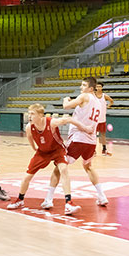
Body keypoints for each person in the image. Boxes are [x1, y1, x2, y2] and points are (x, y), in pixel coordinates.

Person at [7, 104, 88, 215]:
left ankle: (69, 202)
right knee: (27, 176)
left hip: (57, 150)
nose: (29, 116)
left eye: (32, 114)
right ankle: (20, 200)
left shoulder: (52, 122)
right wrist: (34, 148)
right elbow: (30, 138)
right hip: (42, 152)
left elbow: (68, 119)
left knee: (63, 170)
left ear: (40, 115)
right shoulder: (29, 127)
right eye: (29, 113)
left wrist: (85, 128)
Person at [44, 76, 109, 208]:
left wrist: (66, 99)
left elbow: (66, 106)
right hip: (91, 141)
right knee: (88, 166)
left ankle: (49, 199)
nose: (81, 87)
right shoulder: (98, 102)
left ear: (91, 88)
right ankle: (102, 196)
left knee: (59, 167)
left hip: (79, 138)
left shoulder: (85, 96)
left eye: (84, 85)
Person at [95, 81, 114, 156]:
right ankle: (93, 150)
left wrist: (108, 106)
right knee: (93, 135)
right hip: (95, 119)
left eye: (100, 86)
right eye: (97, 86)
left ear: (102, 87)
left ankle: (104, 149)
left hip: (102, 119)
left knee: (103, 134)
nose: (98, 88)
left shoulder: (104, 96)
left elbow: (111, 101)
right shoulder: (93, 96)